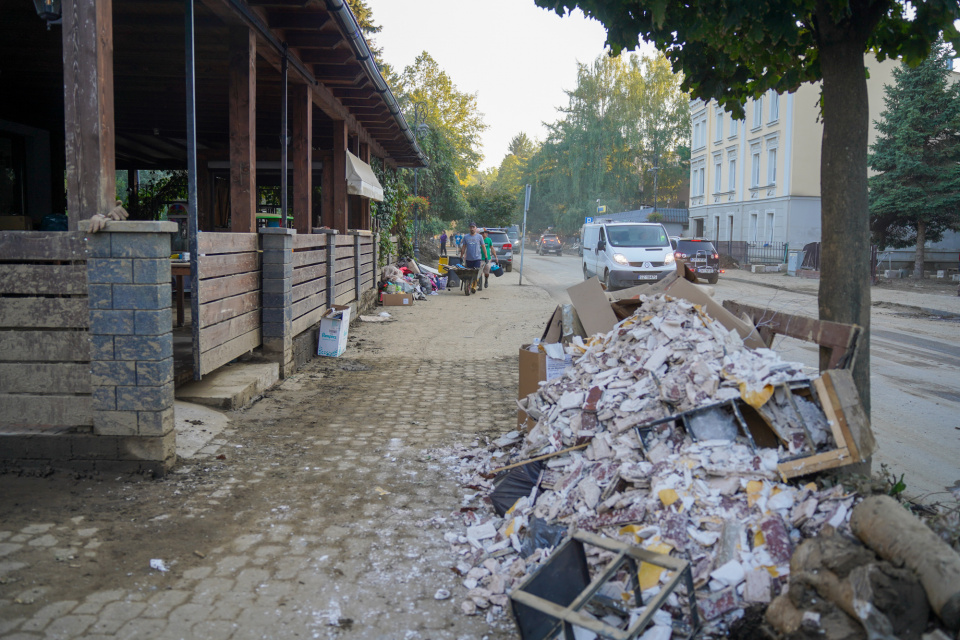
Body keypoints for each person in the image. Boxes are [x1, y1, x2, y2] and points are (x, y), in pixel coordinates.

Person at [459, 223, 484, 293]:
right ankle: (469, 285)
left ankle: (474, 286)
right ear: (469, 228)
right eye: (471, 227)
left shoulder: (479, 237)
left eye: (473, 227)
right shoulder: (466, 237)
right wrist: (461, 256)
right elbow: (463, 247)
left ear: (476, 228)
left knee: (475, 273)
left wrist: (486, 257)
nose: (472, 228)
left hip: (477, 258)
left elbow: (483, 246)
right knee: (469, 274)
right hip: (468, 259)